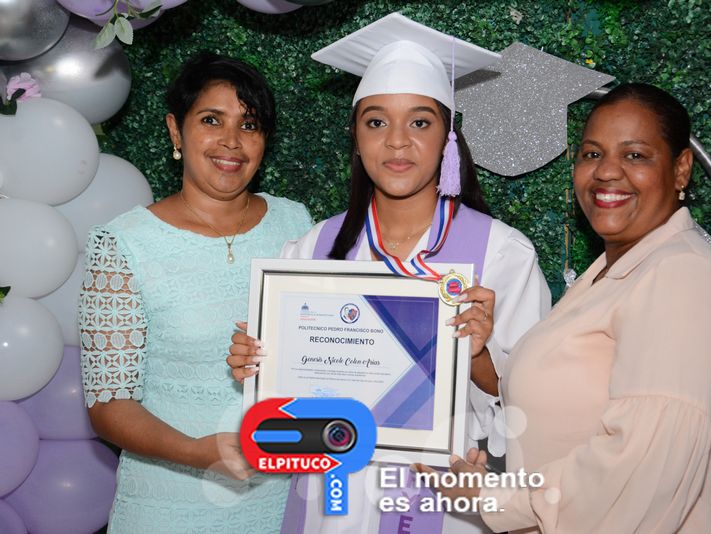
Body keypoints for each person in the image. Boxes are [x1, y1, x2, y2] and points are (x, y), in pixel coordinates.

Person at [226, 13, 551, 534]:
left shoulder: (501, 254)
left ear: (448, 138)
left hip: (444, 501)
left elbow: (537, 410)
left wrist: (478, 357)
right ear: (355, 137)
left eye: (420, 122)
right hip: (330, 500)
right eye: (376, 122)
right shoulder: (315, 249)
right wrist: (263, 369)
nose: (397, 142)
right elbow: (292, 414)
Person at [416, 83, 711, 533]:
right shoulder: (614, 273)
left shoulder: (683, 277)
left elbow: (639, 471)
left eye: (635, 155)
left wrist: (495, 497)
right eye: (592, 154)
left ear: (681, 169)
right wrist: (479, 354)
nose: (607, 172)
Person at [79, 52, 313, 533]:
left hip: (286, 501)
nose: (232, 141)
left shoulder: (297, 223)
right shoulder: (124, 244)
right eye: (211, 120)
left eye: (249, 124)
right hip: (169, 505)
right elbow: (109, 405)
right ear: (175, 130)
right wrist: (197, 452)